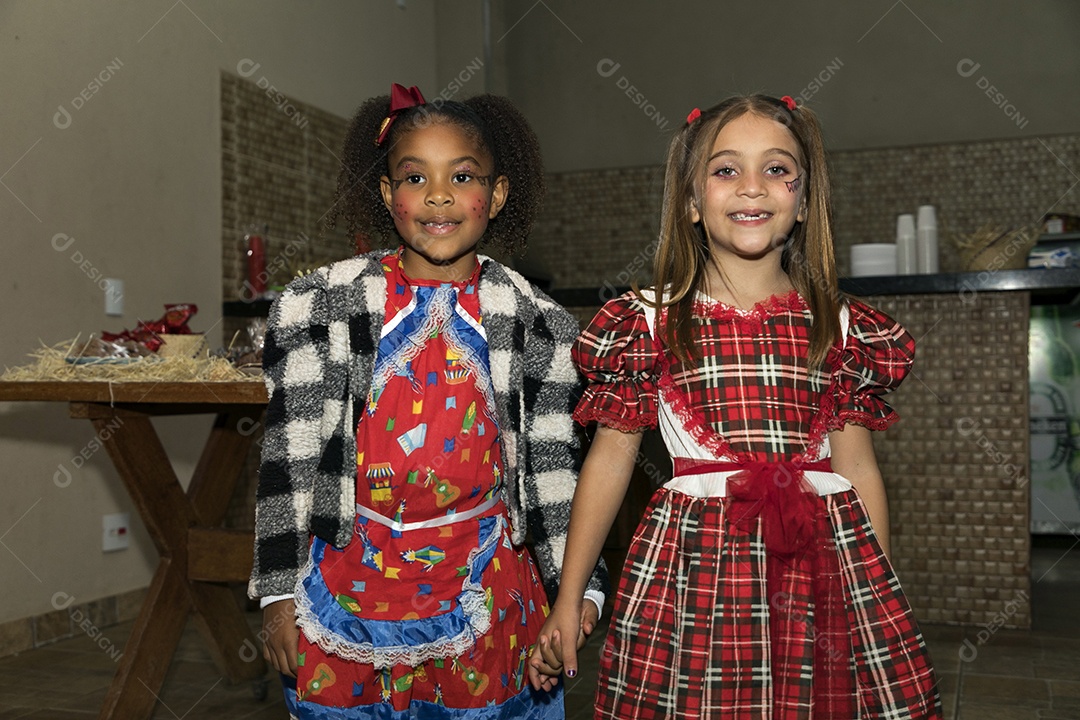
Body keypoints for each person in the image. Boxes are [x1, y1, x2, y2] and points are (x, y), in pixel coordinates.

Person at [529, 94, 943, 718]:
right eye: (726, 169)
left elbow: (857, 469)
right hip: (694, 576)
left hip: (822, 572)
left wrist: (877, 595)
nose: (753, 186)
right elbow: (610, 464)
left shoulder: (842, 326)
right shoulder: (647, 323)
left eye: (777, 169)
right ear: (691, 201)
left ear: (805, 200)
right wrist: (569, 596)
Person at [248, 83, 606, 719]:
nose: (439, 195)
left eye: (461, 176)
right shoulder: (322, 309)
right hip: (348, 587)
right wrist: (277, 596)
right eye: (416, 178)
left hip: (486, 593)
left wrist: (578, 595)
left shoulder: (537, 324)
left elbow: (556, 476)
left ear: (497, 195)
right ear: (389, 195)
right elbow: (289, 457)